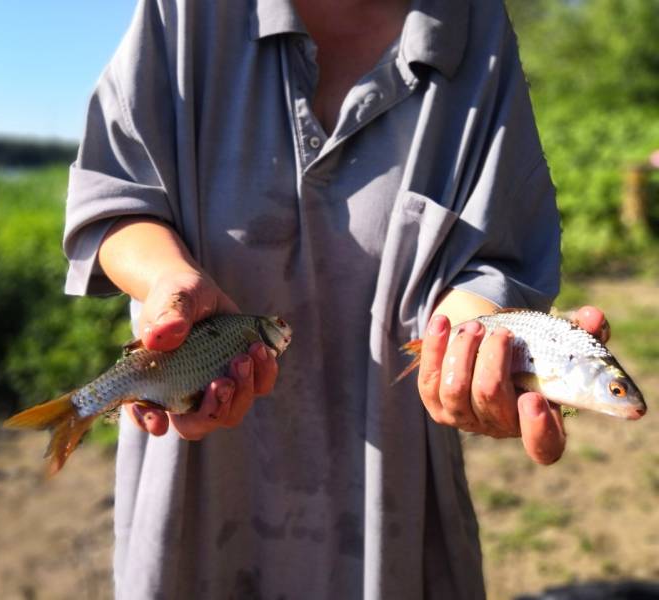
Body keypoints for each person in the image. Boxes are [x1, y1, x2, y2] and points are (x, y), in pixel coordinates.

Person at [63, 0, 610, 597]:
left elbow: (494, 258)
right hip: (196, 488)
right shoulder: (186, 13)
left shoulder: (474, 23)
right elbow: (115, 199)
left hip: (391, 496)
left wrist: (470, 346)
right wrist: (166, 281)